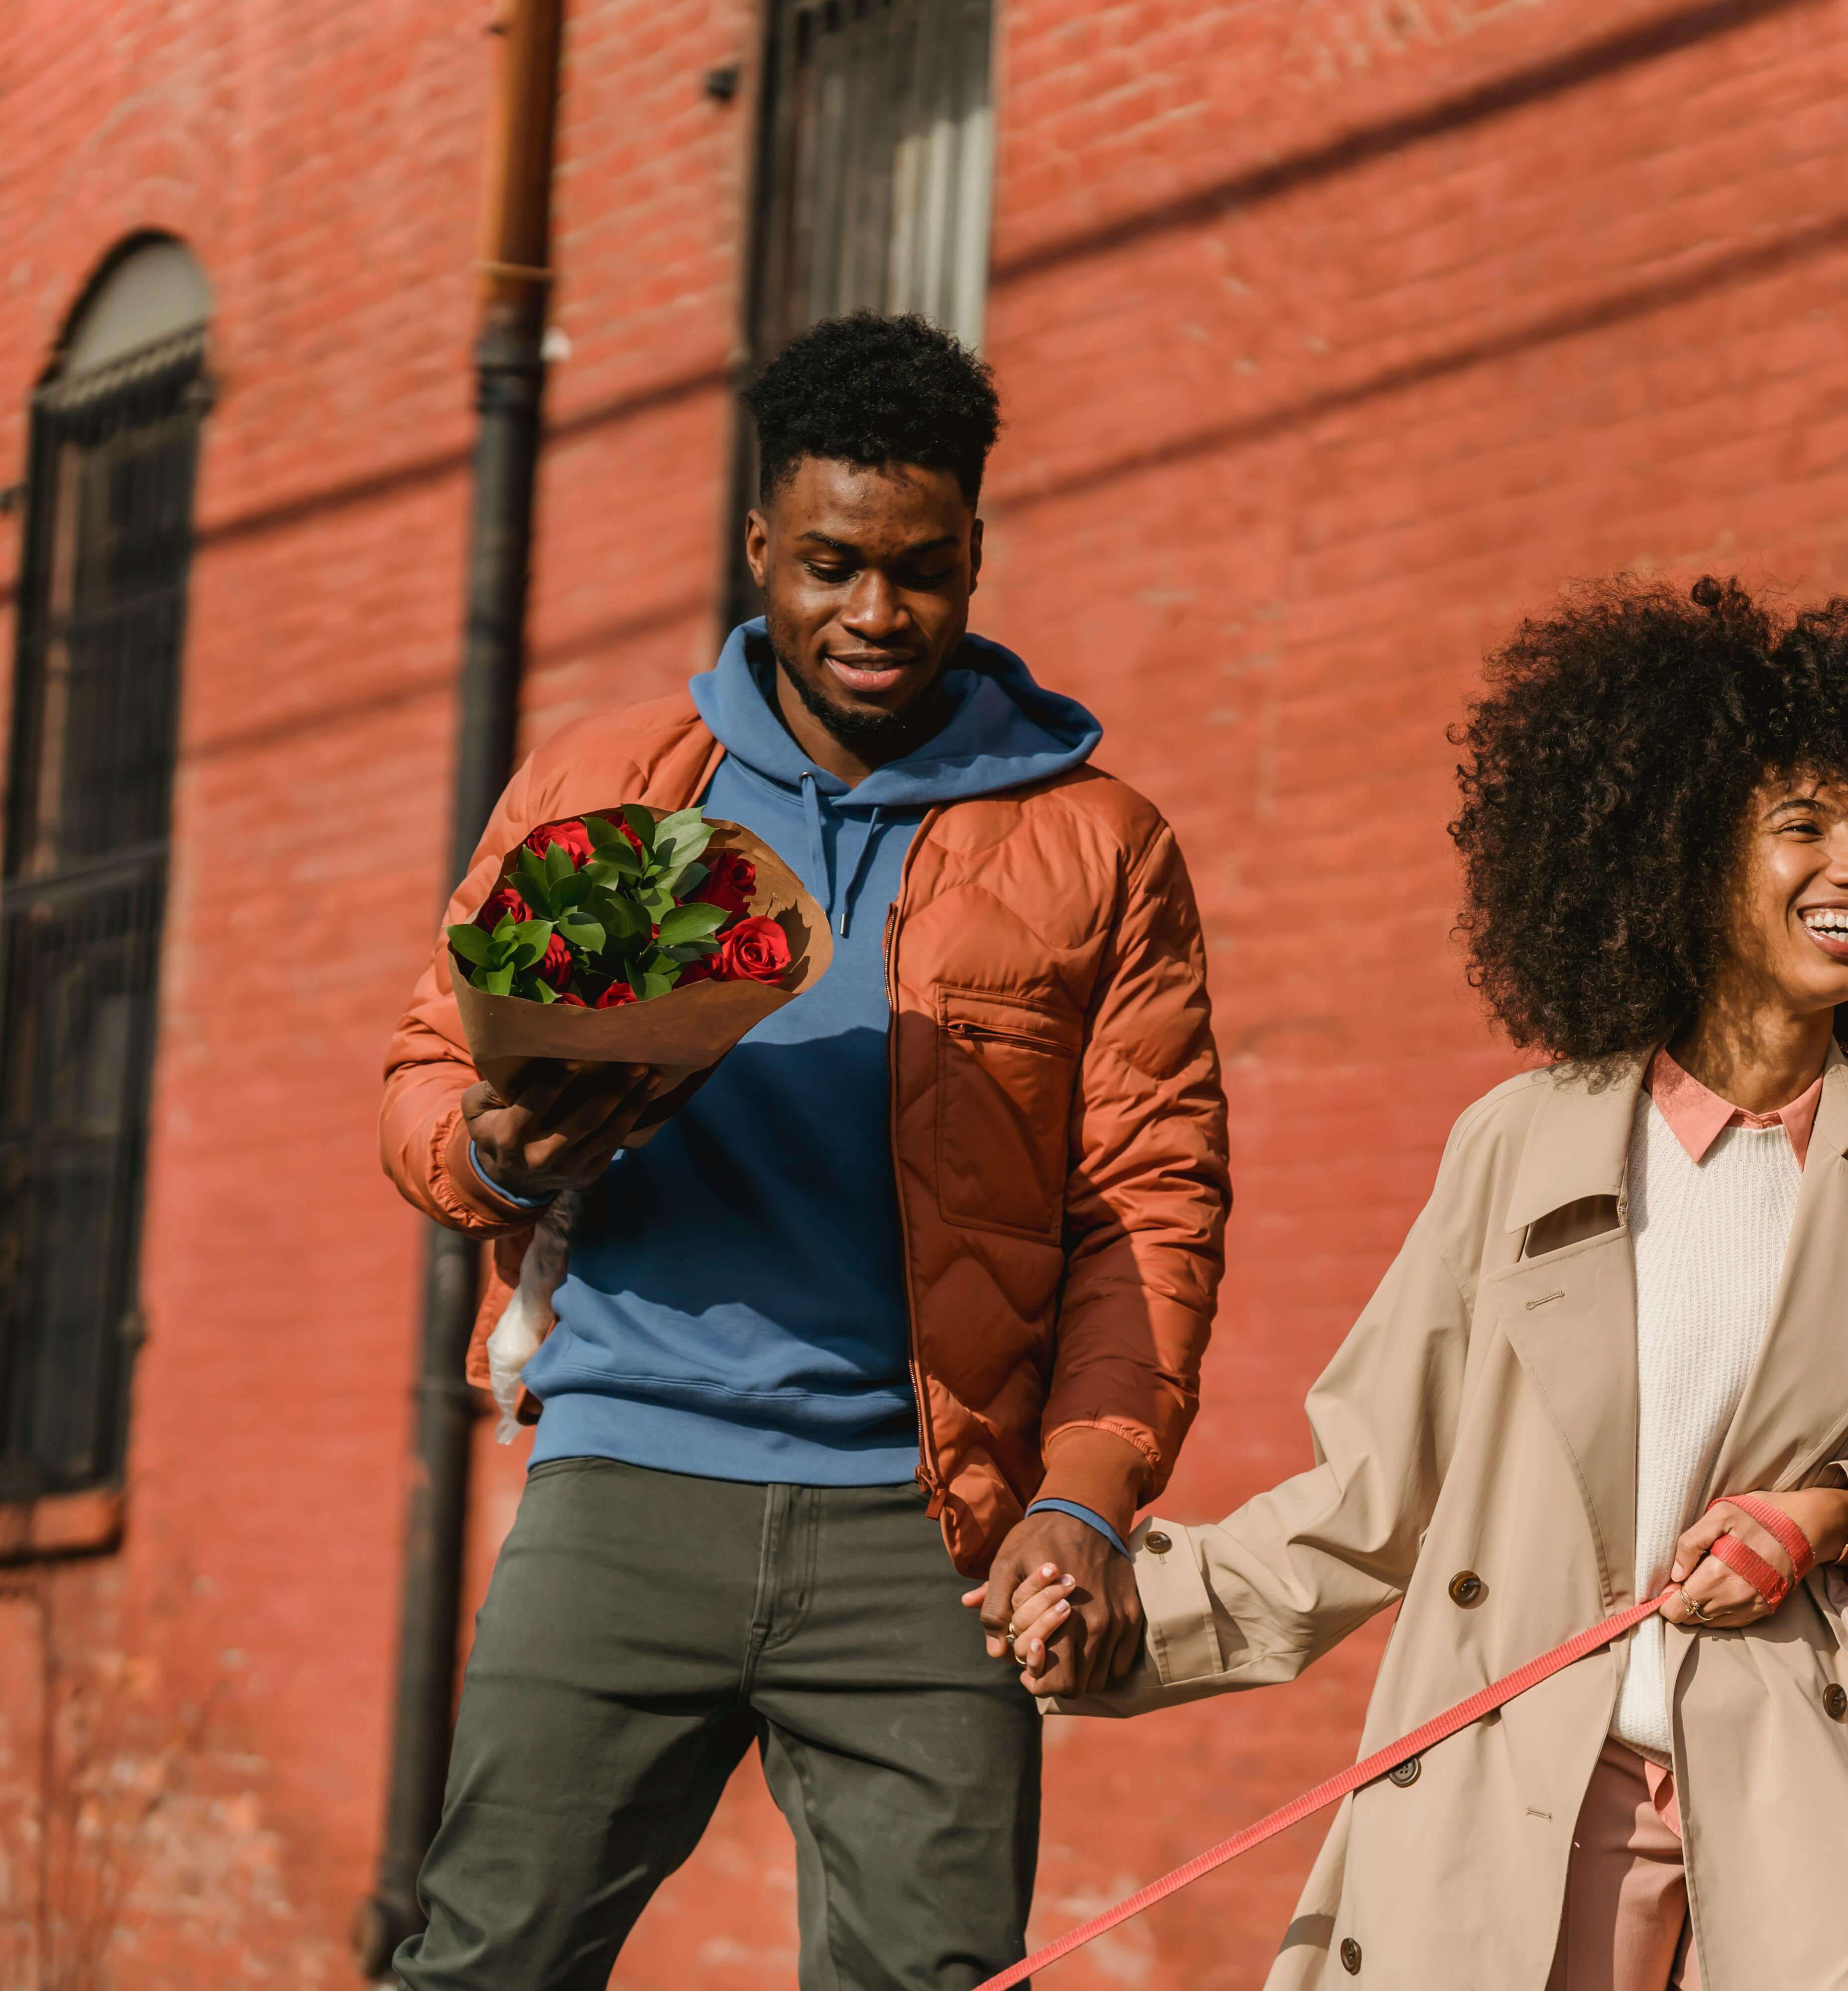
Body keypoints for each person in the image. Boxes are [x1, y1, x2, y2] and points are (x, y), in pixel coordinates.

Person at [1010, 576, 1848, 1990]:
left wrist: (1826, 1519)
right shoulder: (1525, 1142)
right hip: (1523, 1798)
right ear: (1684, 855)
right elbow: (1372, 1496)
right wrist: (1129, 1615)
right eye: (1802, 829)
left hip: (1800, 1810)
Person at [377, 311, 1229, 1989]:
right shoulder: (610, 788)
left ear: (977, 553)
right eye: (831, 563)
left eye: (920, 569)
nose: (875, 615)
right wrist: (501, 1151)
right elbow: (425, 1076)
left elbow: (1150, 1200)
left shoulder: (1096, 844)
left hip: (929, 1530)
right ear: (762, 544)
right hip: (625, 1477)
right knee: (484, 1964)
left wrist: (1091, 1496)